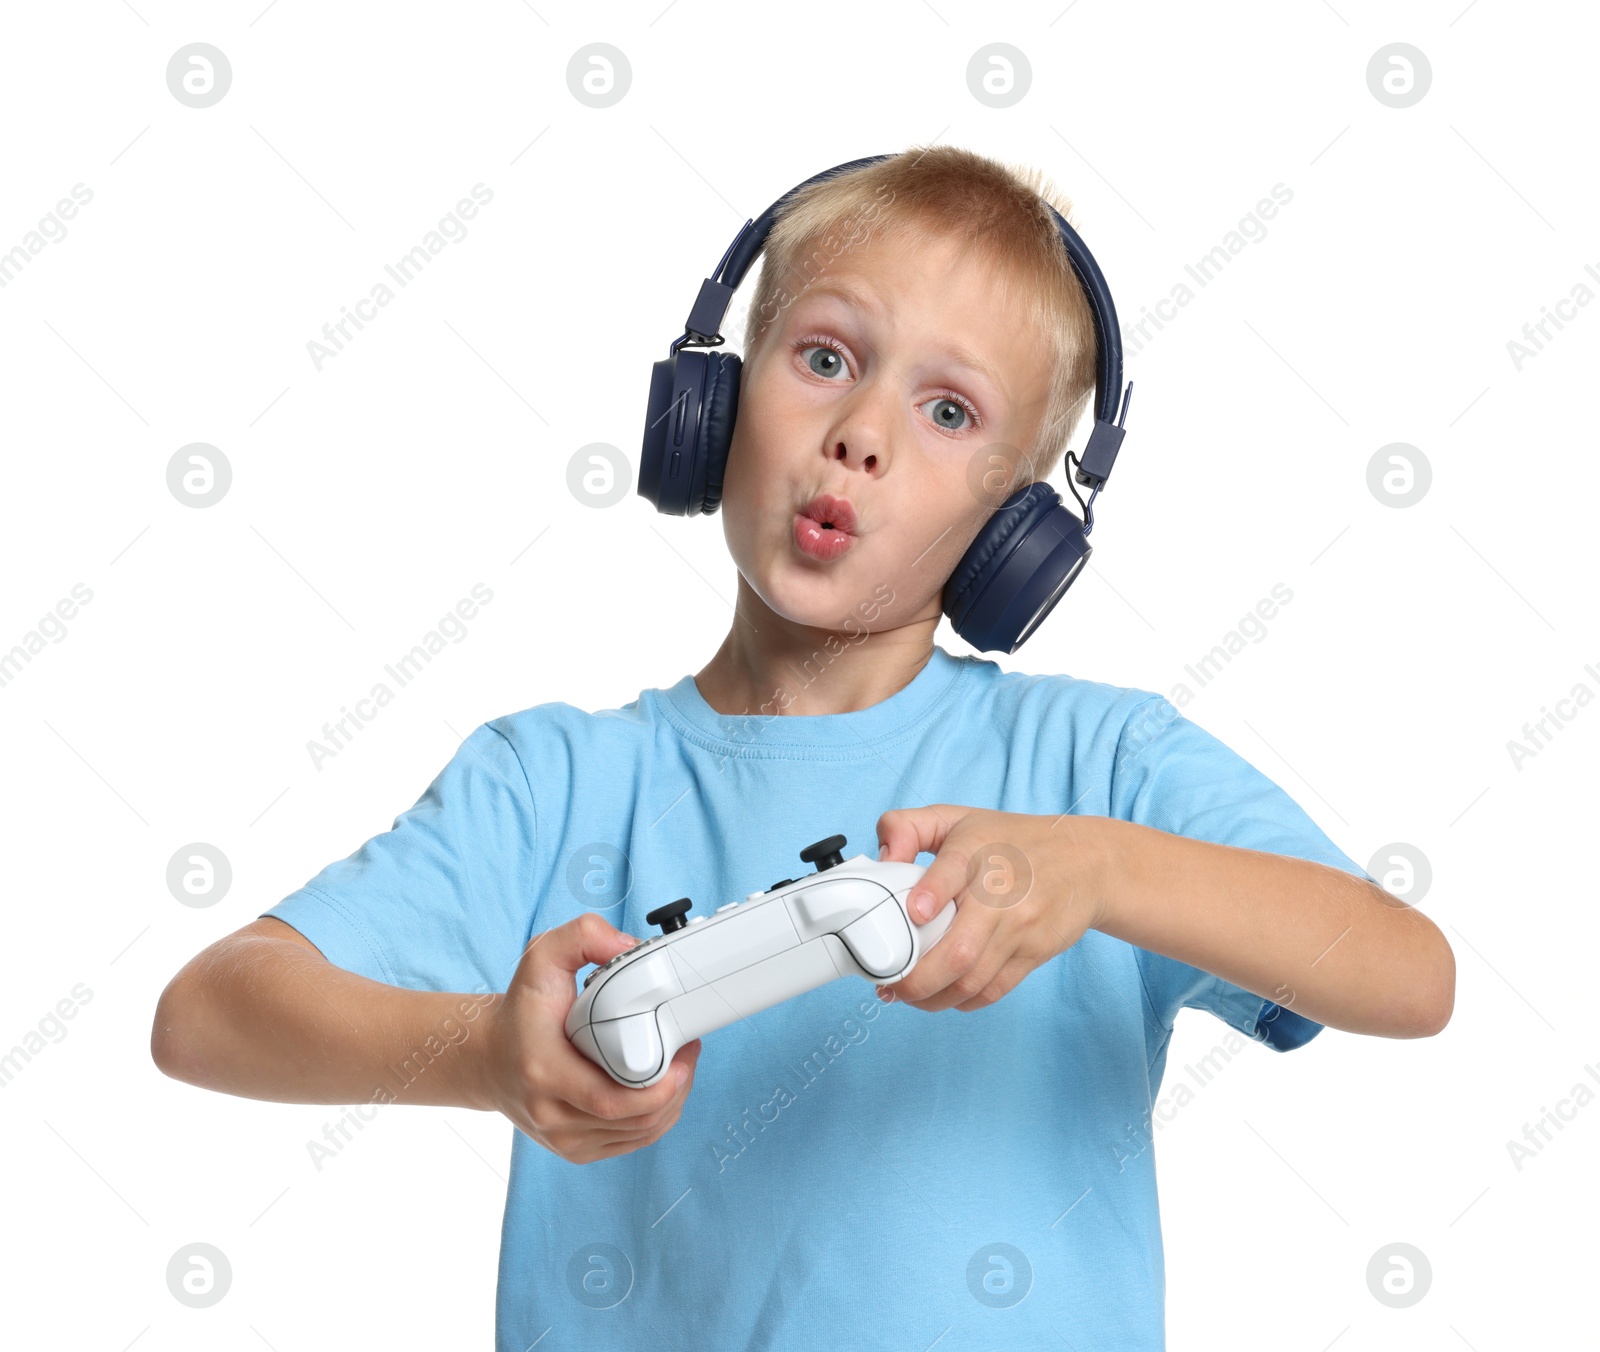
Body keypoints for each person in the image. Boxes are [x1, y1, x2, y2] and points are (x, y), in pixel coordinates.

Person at [150, 144, 1455, 1350]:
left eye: (949, 413)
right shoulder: (555, 783)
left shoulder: (1096, 772)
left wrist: (1108, 874)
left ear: (1020, 529)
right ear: (710, 408)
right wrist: (487, 1050)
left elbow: (1410, 974)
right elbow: (206, 1013)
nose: (863, 435)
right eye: (826, 357)